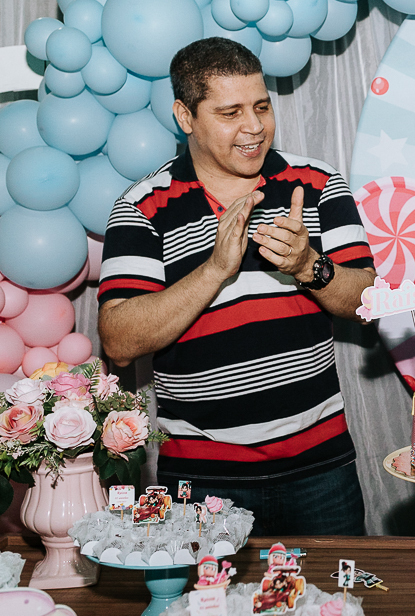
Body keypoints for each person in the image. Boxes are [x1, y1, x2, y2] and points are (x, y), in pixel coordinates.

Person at [97, 37, 376, 536]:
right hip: (202, 480)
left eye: (261, 107)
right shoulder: (142, 206)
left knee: (336, 588)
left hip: (320, 469)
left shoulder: (317, 182)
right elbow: (118, 341)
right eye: (230, 113)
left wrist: (309, 265)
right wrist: (213, 270)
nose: (254, 127)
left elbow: (367, 302)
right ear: (185, 116)